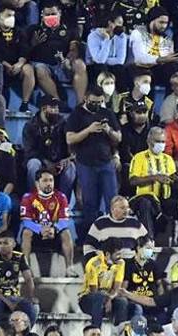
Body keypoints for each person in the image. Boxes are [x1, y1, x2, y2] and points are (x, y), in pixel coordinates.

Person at [66, 86, 122, 238]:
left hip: (106, 162)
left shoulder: (107, 113)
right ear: (86, 98)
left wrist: (108, 130)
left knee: (113, 199)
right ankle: (90, 238)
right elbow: (69, 138)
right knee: (90, 203)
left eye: (100, 102)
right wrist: (88, 130)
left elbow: (118, 138)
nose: (96, 105)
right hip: (86, 164)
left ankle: (114, 236)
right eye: (93, 102)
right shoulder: (77, 114)